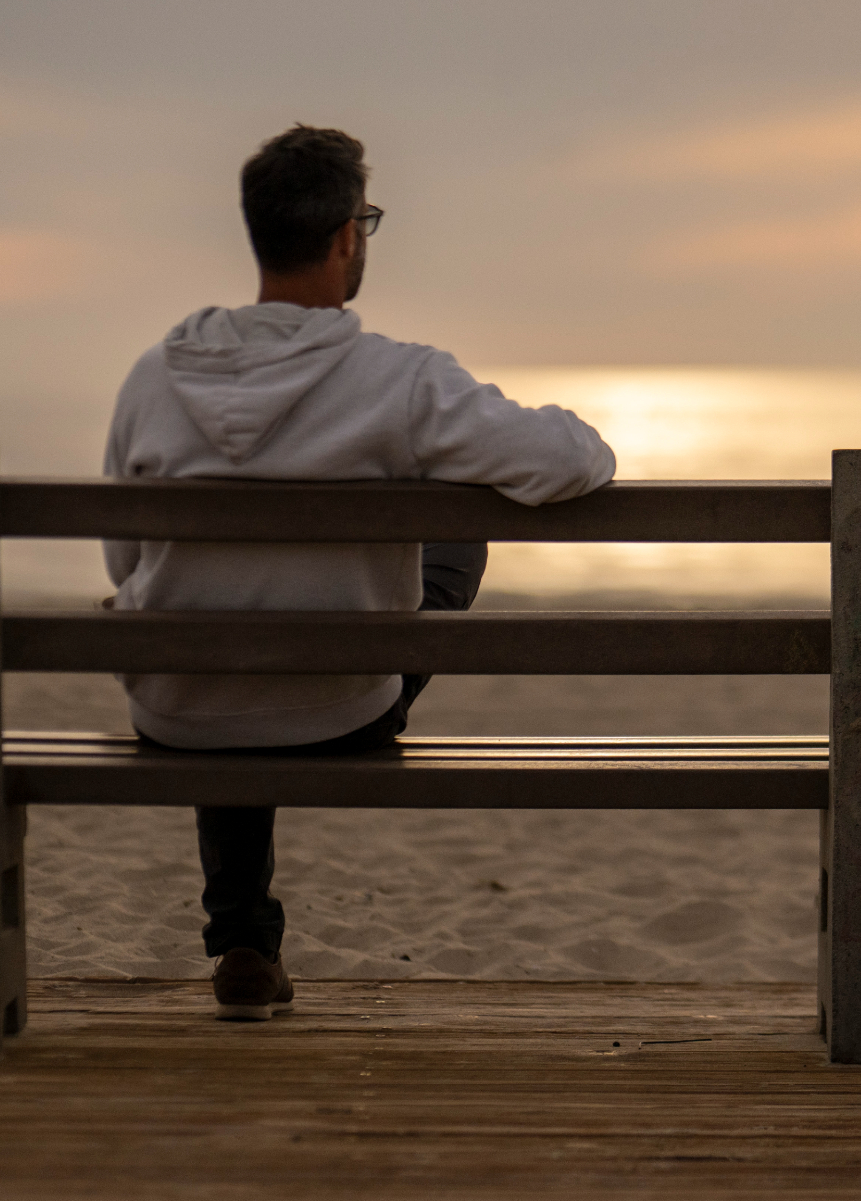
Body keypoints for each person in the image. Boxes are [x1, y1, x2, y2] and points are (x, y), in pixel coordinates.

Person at [102, 125, 616, 1020]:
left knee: (221, 625)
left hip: (178, 708)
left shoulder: (154, 375)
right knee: (457, 532)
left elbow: (124, 559)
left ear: (257, 232)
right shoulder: (400, 380)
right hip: (342, 708)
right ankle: (247, 932)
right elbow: (566, 461)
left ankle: (243, 939)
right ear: (347, 236)